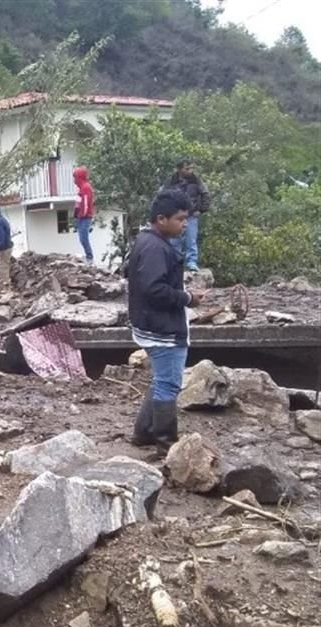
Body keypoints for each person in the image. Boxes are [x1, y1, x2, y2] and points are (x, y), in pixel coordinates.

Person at [127, 189, 206, 450]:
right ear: (162, 219)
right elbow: (154, 289)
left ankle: (143, 433)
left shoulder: (148, 242)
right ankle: (166, 443)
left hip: (151, 324)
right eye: (181, 219)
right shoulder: (155, 248)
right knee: (169, 384)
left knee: (162, 380)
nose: (185, 224)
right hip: (161, 329)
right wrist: (187, 298)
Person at [164, 158, 210, 272]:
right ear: (179, 169)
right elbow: (163, 195)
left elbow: (205, 194)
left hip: (191, 215)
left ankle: (192, 263)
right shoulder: (171, 181)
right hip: (176, 215)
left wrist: (202, 209)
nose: (190, 170)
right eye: (187, 168)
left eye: (191, 168)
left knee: (191, 239)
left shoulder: (196, 180)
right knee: (175, 240)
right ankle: (175, 263)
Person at [73, 166, 95, 265]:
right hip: (81, 217)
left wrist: (82, 214)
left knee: (83, 238)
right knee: (82, 238)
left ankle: (90, 258)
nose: (74, 180)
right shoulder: (81, 188)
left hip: (85, 217)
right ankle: (88, 257)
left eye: (75, 177)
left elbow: (85, 203)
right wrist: (76, 213)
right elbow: (78, 202)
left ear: (79, 177)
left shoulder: (86, 187)